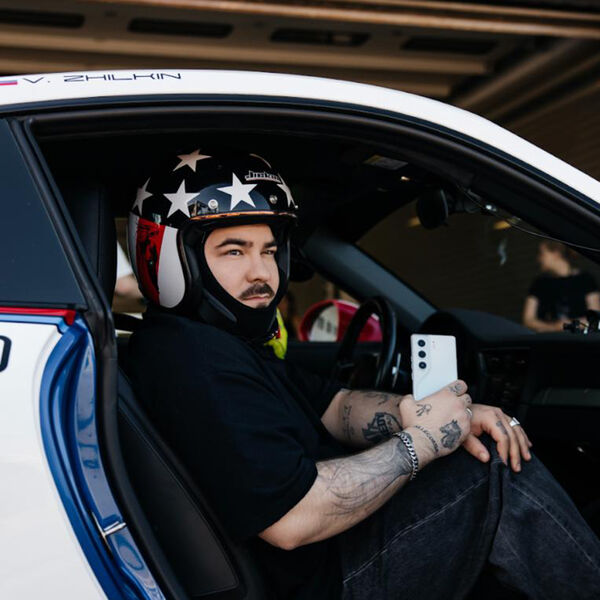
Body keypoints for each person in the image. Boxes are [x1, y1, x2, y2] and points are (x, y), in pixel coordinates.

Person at [127, 150, 600, 600]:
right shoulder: (191, 360)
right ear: (175, 258)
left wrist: (418, 412)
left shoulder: (219, 345)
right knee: (493, 471)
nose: (262, 273)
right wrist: (423, 441)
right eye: (234, 252)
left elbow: (334, 406)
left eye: (269, 251)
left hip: (329, 558)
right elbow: (291, 521)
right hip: (323, 582)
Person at [523, 241, 600, 332]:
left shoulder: (585, 279)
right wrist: (554, 327)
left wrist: (567, 325)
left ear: (556, 254)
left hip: (580, 338)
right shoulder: (539, 283)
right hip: (551, 338)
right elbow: (528, 320)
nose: (539, 259)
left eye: (542, 254)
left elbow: (595, 317)